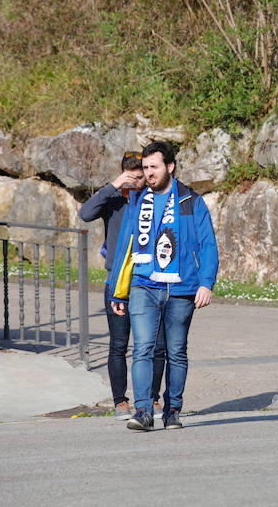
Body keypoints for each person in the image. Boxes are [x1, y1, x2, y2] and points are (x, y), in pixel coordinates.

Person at [107, 141, 219, 431]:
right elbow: (125, 247)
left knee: (176, 351)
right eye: (145, 168)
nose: (149, 173)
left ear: (169, 166)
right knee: (142, 348)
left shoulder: (190, 201)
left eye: (153, 167)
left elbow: (208, 244)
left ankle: (172, 411)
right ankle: (143, 411)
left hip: (182, 288)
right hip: (143, 285)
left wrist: (206, 283)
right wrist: (117, 289)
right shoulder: (138, 200)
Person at [78, 152, 166, 421]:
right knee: (118, 344)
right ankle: (121, 401)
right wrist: (114, 185)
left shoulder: (155, 197)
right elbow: (85, 213)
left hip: (150, 279)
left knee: (156, 345)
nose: (138, 182)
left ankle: (152, 398)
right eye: (133, 177)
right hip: (116, 281)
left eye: (141, 176)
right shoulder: (114, 198)